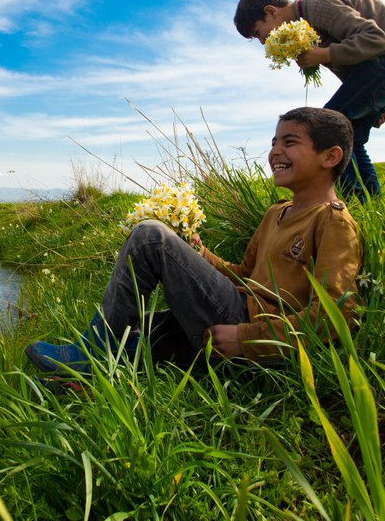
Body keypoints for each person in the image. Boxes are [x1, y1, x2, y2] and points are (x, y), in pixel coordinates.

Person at [25, 107, 362, 373]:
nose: (275, 151)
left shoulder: (332, 222)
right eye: (274, 142)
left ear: (330, 157)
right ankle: (93, 366)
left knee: (150, 237)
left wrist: (246, 339)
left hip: (250, 325)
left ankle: (91, 355)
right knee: (133, 327)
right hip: (236, 307)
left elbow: (335, 315)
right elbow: (244, 272)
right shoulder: (277, 212)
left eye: (289, 142)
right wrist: (200, 254)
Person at [234, 0, 385, 200]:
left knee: (332, 125)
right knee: (353, 137)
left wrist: (323, 54)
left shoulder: (317, 8)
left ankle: (353, 199)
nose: (263, 42)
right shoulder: (305, 29)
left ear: (271, 11)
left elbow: (376, 39)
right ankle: (371, 205)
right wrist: (373, 104)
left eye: (258, 32)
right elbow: (352, 73)